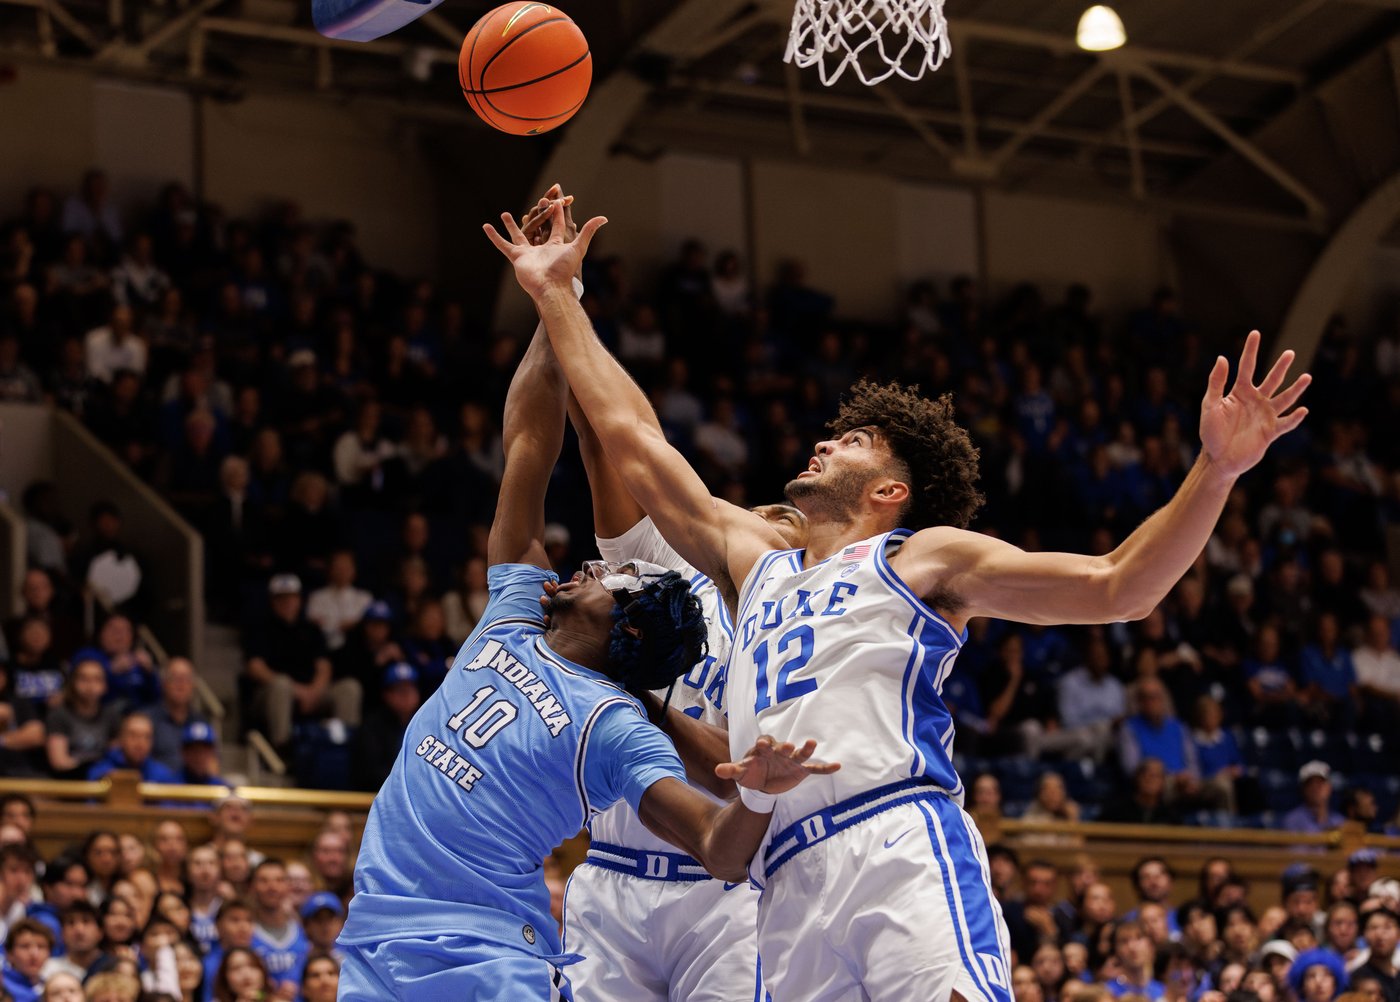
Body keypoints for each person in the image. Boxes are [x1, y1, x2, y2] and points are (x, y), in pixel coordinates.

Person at [488, 194, 1309, 1001]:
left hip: (895, 839)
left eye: (852, 441)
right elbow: (632, 439)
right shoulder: (753, 563)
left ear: (889, 489)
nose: (823, 440)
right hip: (784, 873)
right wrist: (557, 291)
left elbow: (1120, 588)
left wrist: (1218, 470)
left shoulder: (920, 558)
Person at [338, 190, 835, 1002]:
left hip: (504, 943)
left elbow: (718, 837)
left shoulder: (622, 717)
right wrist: (548, 300)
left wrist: (753, 787)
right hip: (390, 929)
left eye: (780, 521)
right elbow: (545, 444)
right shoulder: (525, 610)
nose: (592, 567)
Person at [560, 226, 808, 1002]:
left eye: (786, 519)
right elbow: (607, 439)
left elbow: (744, 779)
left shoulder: (807, 627)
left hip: (726, 893)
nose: (764, 514)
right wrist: (562, 298)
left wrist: (643, 707)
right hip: (610, 874)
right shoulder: (668, 567)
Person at [242, 574, 361, 751]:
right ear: (273, 601)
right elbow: (255, 667)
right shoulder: (260, 628)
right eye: (281, 598)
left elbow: (324, 666)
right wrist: (298, 691)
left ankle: (346, 746)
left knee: (349, 687)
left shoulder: (311, 629)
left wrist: (314, 691)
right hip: (274, 693)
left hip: (312, 690)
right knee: (281, 685)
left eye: (291, 597)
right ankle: (283, 749)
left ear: (299, 599)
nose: (287, 602)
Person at [44, 653, 122, 779]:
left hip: (103, 783)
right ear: (73, 682)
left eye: (97, 679)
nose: (90, 686)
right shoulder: (59, 715)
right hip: (69, 783)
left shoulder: (111, 715)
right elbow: (59, 762)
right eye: (84, 679)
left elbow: (115, 756)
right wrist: (93, 769)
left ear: (105, 685)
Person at [86, 713, 179, 783]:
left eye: (147, 737)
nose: (140, 744)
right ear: (121, 739)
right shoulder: (101, 773)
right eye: (133, 736)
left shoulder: (163, 776)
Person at [1283, 762, 1346, 834]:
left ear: (1329, 787)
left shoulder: (1340, 821)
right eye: (1310, 784)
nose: (1315, 788)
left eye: (1320, 783)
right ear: (1303, 789)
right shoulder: (1293, 820)